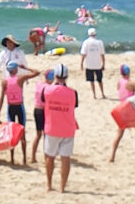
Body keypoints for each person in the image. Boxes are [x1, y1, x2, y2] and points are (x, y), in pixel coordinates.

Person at [42, 63, 78, 194]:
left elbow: (43, 101)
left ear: (55, 76)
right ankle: (62, 187)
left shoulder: (47, 90)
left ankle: (49, 184)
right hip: (68, 128)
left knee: (50, 157)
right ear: (67, 76)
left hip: (52, 128)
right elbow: (74, 107)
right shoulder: (73, 93)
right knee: (65, 158)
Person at [0, 59, 39, 165]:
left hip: (10, 108)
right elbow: (37, 72)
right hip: (19, 107)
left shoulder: (5, 81)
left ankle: (12, 159)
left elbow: (1, 98)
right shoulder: (21, 78)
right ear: (15, 69)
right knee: (21, 133)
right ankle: (24, 159)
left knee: (12, 134)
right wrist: (24, 67)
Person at [108, 64, 135, 164]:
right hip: (131, 111)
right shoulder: (132, 83)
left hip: (122, 111)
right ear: (128, 72)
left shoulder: (119, 82)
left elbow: (123, 92)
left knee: (119, 134)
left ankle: (112, 156)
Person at [80, 27, 107, 99]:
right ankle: (102, 94)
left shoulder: (86, 42)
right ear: (95, 34)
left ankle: (94, 95)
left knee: (91, 81)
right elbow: (102, 55)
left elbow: (83, 54)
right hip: (98, 64)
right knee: (100, 80)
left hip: (89, 65)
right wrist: (103, 64)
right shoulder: (100, 42)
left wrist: (81, 64)